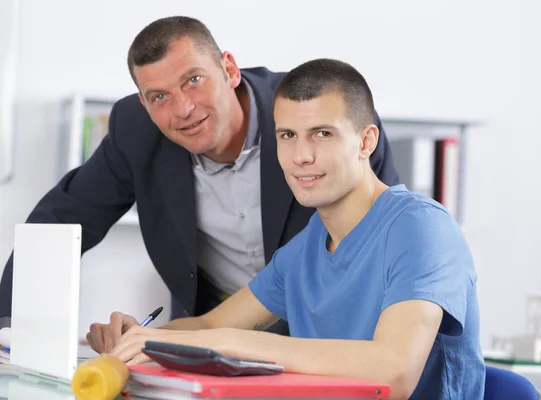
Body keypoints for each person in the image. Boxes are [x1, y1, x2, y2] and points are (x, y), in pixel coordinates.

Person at [88, 58, 485, 400]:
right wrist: (138, 337)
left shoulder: (419, 227)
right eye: (287, 136)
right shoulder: (309, 245)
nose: (302, 156)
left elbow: (393, 372)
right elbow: (212, 325)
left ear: (366, 142)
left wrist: (238, 345)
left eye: (323, 134)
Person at [0, 16, 399, 326]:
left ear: (229, 69)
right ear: (143, 103)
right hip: (211, 333)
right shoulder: (135, 131)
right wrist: (8, 328)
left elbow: (386, 239)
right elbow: (58, 224)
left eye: (193, 80)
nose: (182, 110)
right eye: (159, 96)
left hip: (324, 330)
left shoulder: (312, 114)